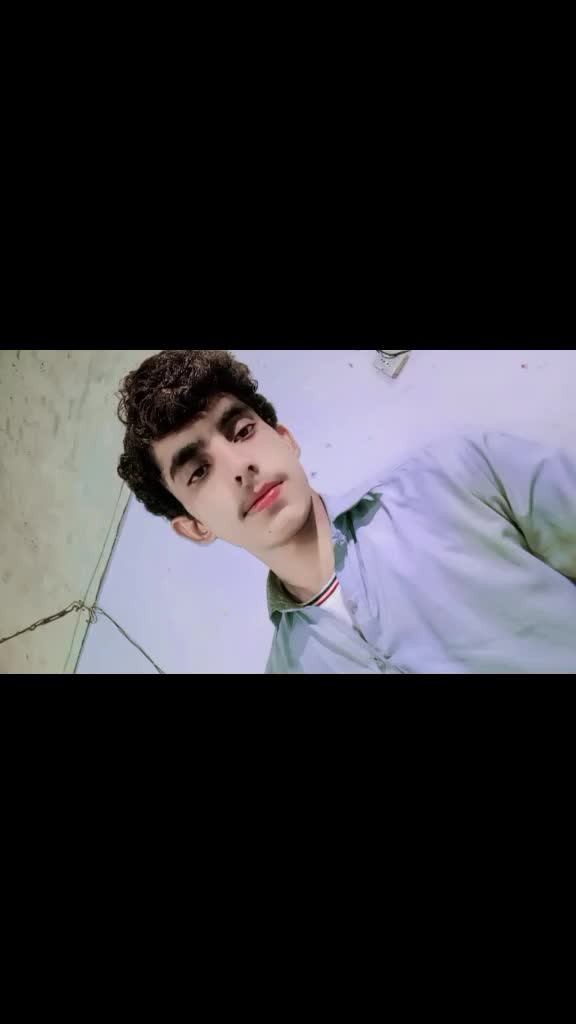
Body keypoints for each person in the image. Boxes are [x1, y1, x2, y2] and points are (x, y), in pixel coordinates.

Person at [117, 349, 576, 674]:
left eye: (241, 431)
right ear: (195, 527)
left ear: (286, 439)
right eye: (198, 471)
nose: (239, 467)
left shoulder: (458, 477)